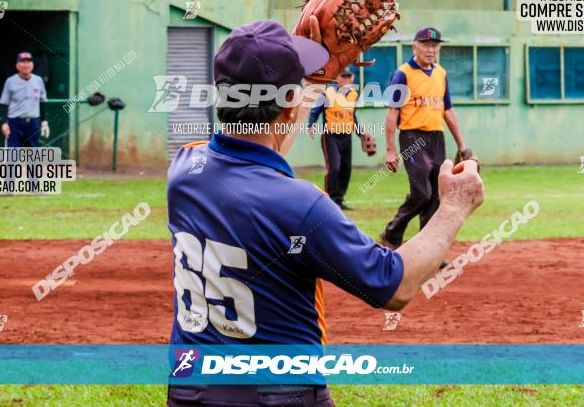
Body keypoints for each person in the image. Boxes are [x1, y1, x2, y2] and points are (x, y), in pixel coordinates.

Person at [166, 20, 484, 406]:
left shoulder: (185, 169)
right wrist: (454, 206)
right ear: (287, 107)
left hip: (190, 392)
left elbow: (258, 154)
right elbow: (393, 286)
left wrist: (313, 78)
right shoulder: (301, 205)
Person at [379, 27, 471, 250]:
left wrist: (462, 145)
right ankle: (391, 235)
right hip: (412, 138)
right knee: (422, 193)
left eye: (435, 45)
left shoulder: (441, 73)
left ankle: (428, 249)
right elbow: (392, 113)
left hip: (436, 138)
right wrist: (391, 150)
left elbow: (447, 111)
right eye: (426, 45)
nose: (431, 50)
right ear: (415, 47)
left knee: (437, 196)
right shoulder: (403, 74)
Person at [308, 70, 360, 210]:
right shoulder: (327, 93)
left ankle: (339, 199)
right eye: (344, 76)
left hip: (347, 135)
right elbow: (315, 111)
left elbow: (352, 116)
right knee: (334, 168)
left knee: (345, 169)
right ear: (337, 78)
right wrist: (311, 125)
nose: (348, 79)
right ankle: (330, 199)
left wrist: (361, 133)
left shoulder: (354, 94)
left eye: (349, 76)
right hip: (330, 135)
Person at [0, 52, 48, 147]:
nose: (26, 65)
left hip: (33, 123)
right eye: (22, 62)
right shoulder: (10, 81)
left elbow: (42, 102)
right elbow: (4, 103)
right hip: (14, 123)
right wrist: (4, 123)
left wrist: (44, 122)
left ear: (32, 65)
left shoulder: (38, 80)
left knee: (34, 156)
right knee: (12, 156)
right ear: (17, 65)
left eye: (29, 62)